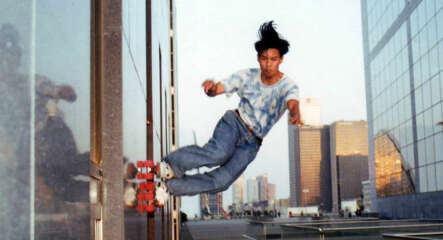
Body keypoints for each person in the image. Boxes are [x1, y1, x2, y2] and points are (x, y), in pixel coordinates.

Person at [154, 21, 303, 204]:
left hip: (252, 143)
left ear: (281, 60)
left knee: (222, 182)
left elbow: (293, 102)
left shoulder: (288, 86)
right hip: (234, 124)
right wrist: (211, 89)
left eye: (273, 59)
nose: (268, 64)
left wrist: (295, 114)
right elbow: (219, 88)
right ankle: (170, 165)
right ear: (258, 58)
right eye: (264, 58)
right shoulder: (247, 76)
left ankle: (168, 188)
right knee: (217, 154)